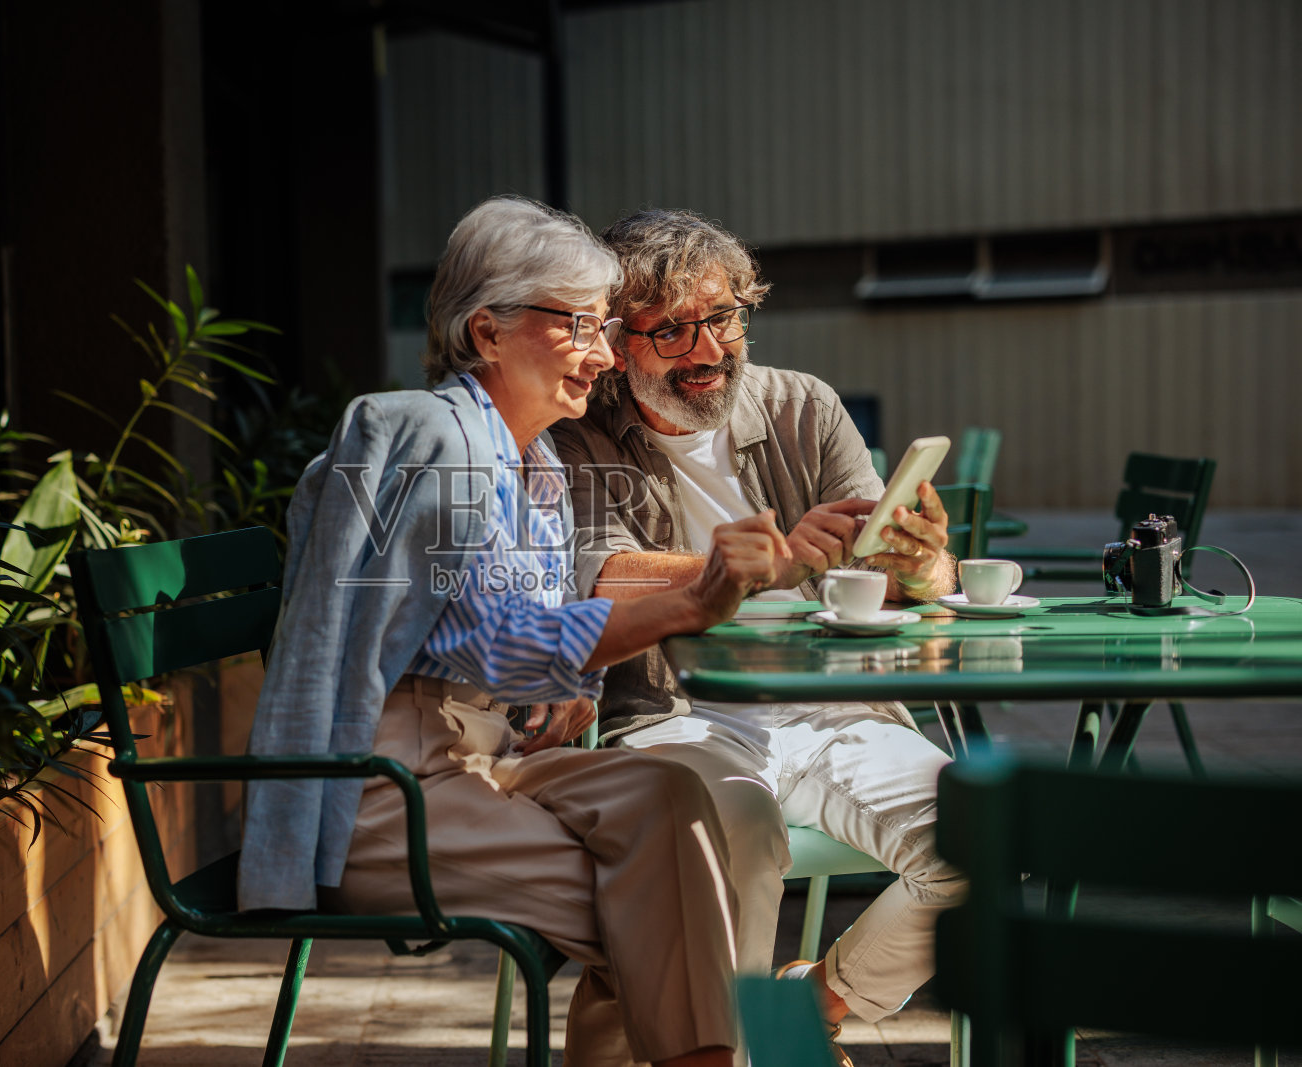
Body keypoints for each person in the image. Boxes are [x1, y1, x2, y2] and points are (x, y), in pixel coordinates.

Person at [238, 197, 800, 1067]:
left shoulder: (525, 456)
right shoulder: (441, 442)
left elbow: (517, 639)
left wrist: (566, 685)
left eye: (605, 326)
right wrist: (697, 596)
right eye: (580, 324)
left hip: (477, 755)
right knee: (671, 899)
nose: (608, 354)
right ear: (487, 331)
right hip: (381, 791)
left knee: (671, 801)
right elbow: (501, 643)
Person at [551, 208, 967, 1065]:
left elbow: (893, 571)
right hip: (675, 716)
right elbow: (599, 577)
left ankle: (812, 1003)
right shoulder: (575, 434)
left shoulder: (802, 406)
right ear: (619, 343)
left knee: (989, 838)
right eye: (671, 330)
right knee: (731, 831)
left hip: (836, 710)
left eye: (723, 316)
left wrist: (927, 569)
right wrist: (757, 561)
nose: (707, 350)